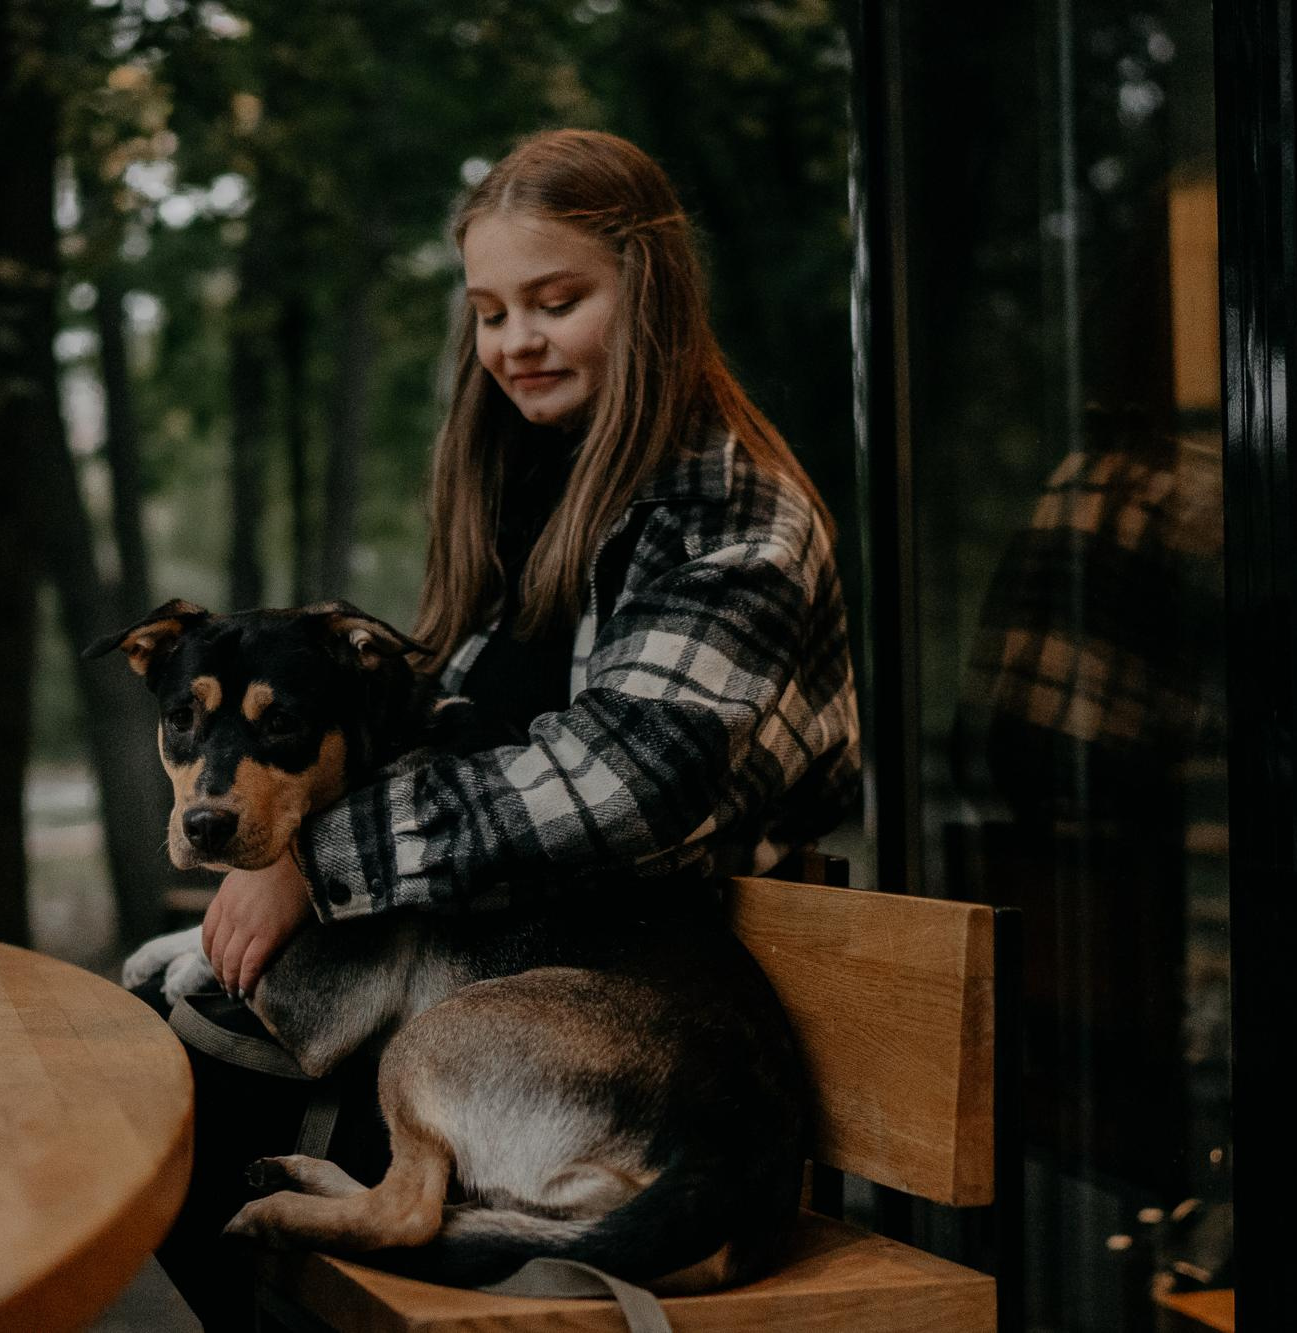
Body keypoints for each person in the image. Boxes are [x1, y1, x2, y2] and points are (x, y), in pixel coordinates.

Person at [140, 128, 861, 1329]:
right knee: (160, 1101)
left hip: (651, 1013)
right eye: (488, 311)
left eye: (555, 300)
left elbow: (630, 776)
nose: (514, 341)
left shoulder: (726, 514)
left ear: (653, 295)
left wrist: (317, 866)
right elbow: (453, 740)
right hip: (532, 976)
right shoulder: (537, 487)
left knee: (193, 1145)